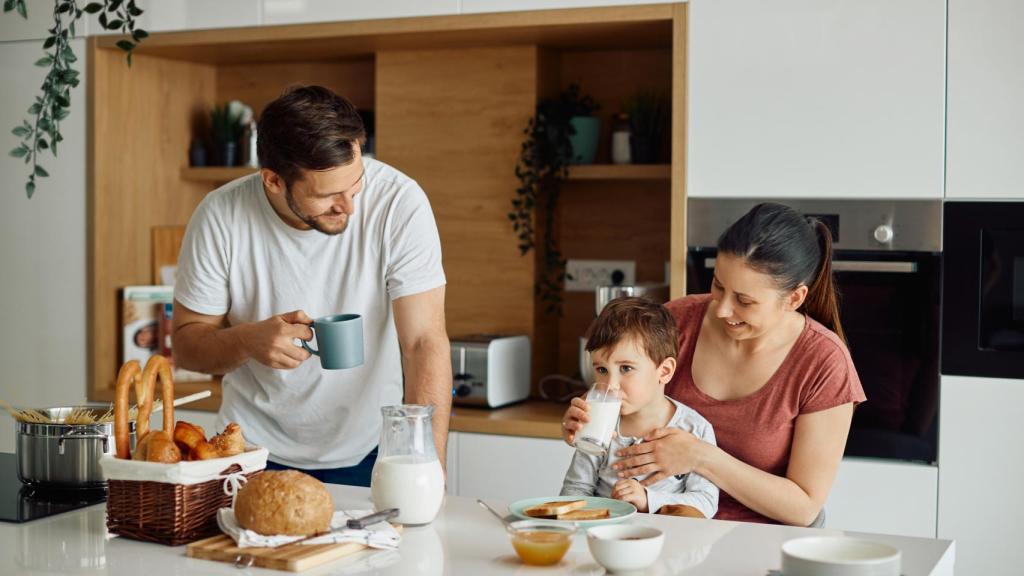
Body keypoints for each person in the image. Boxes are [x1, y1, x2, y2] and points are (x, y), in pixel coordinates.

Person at [172, 85, 452, 486]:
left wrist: (427, 467)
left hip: (374, 451)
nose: (349, 207)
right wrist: (247, 341)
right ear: (272, 181)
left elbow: (424, 341)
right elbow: (186, 345)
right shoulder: (221, 216)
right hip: (250, 454)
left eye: (355, 185)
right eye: (328, 195)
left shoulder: (399, 203)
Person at [562, 203, 866, 526]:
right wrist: (586, 422)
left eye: (744, 301)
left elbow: (803, 507)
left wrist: (701, 457)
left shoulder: (824, 363)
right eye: (718, 285)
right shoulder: (676, 321)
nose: (721, 310)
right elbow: (622, 387)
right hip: (656, 531)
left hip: (757, 542)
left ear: (794, 299)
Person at [560, 297, 719, 519]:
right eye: (602, 370)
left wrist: (648, 499)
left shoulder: (695, 429)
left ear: (664, 371)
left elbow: (706, 502)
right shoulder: (599, 425)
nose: (611, 385)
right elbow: (574, 491)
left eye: (626, 368)